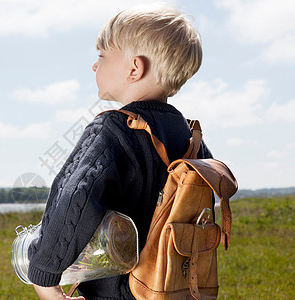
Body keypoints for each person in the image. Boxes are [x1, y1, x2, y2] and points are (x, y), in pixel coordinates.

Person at [28, 4, 212, 300]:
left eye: (101, 55)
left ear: (134, 68)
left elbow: (74, 196)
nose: (94, 65)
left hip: (117, 292)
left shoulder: (112, 128)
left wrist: (44, 276)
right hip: (174, 287)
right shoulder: (191, 138)